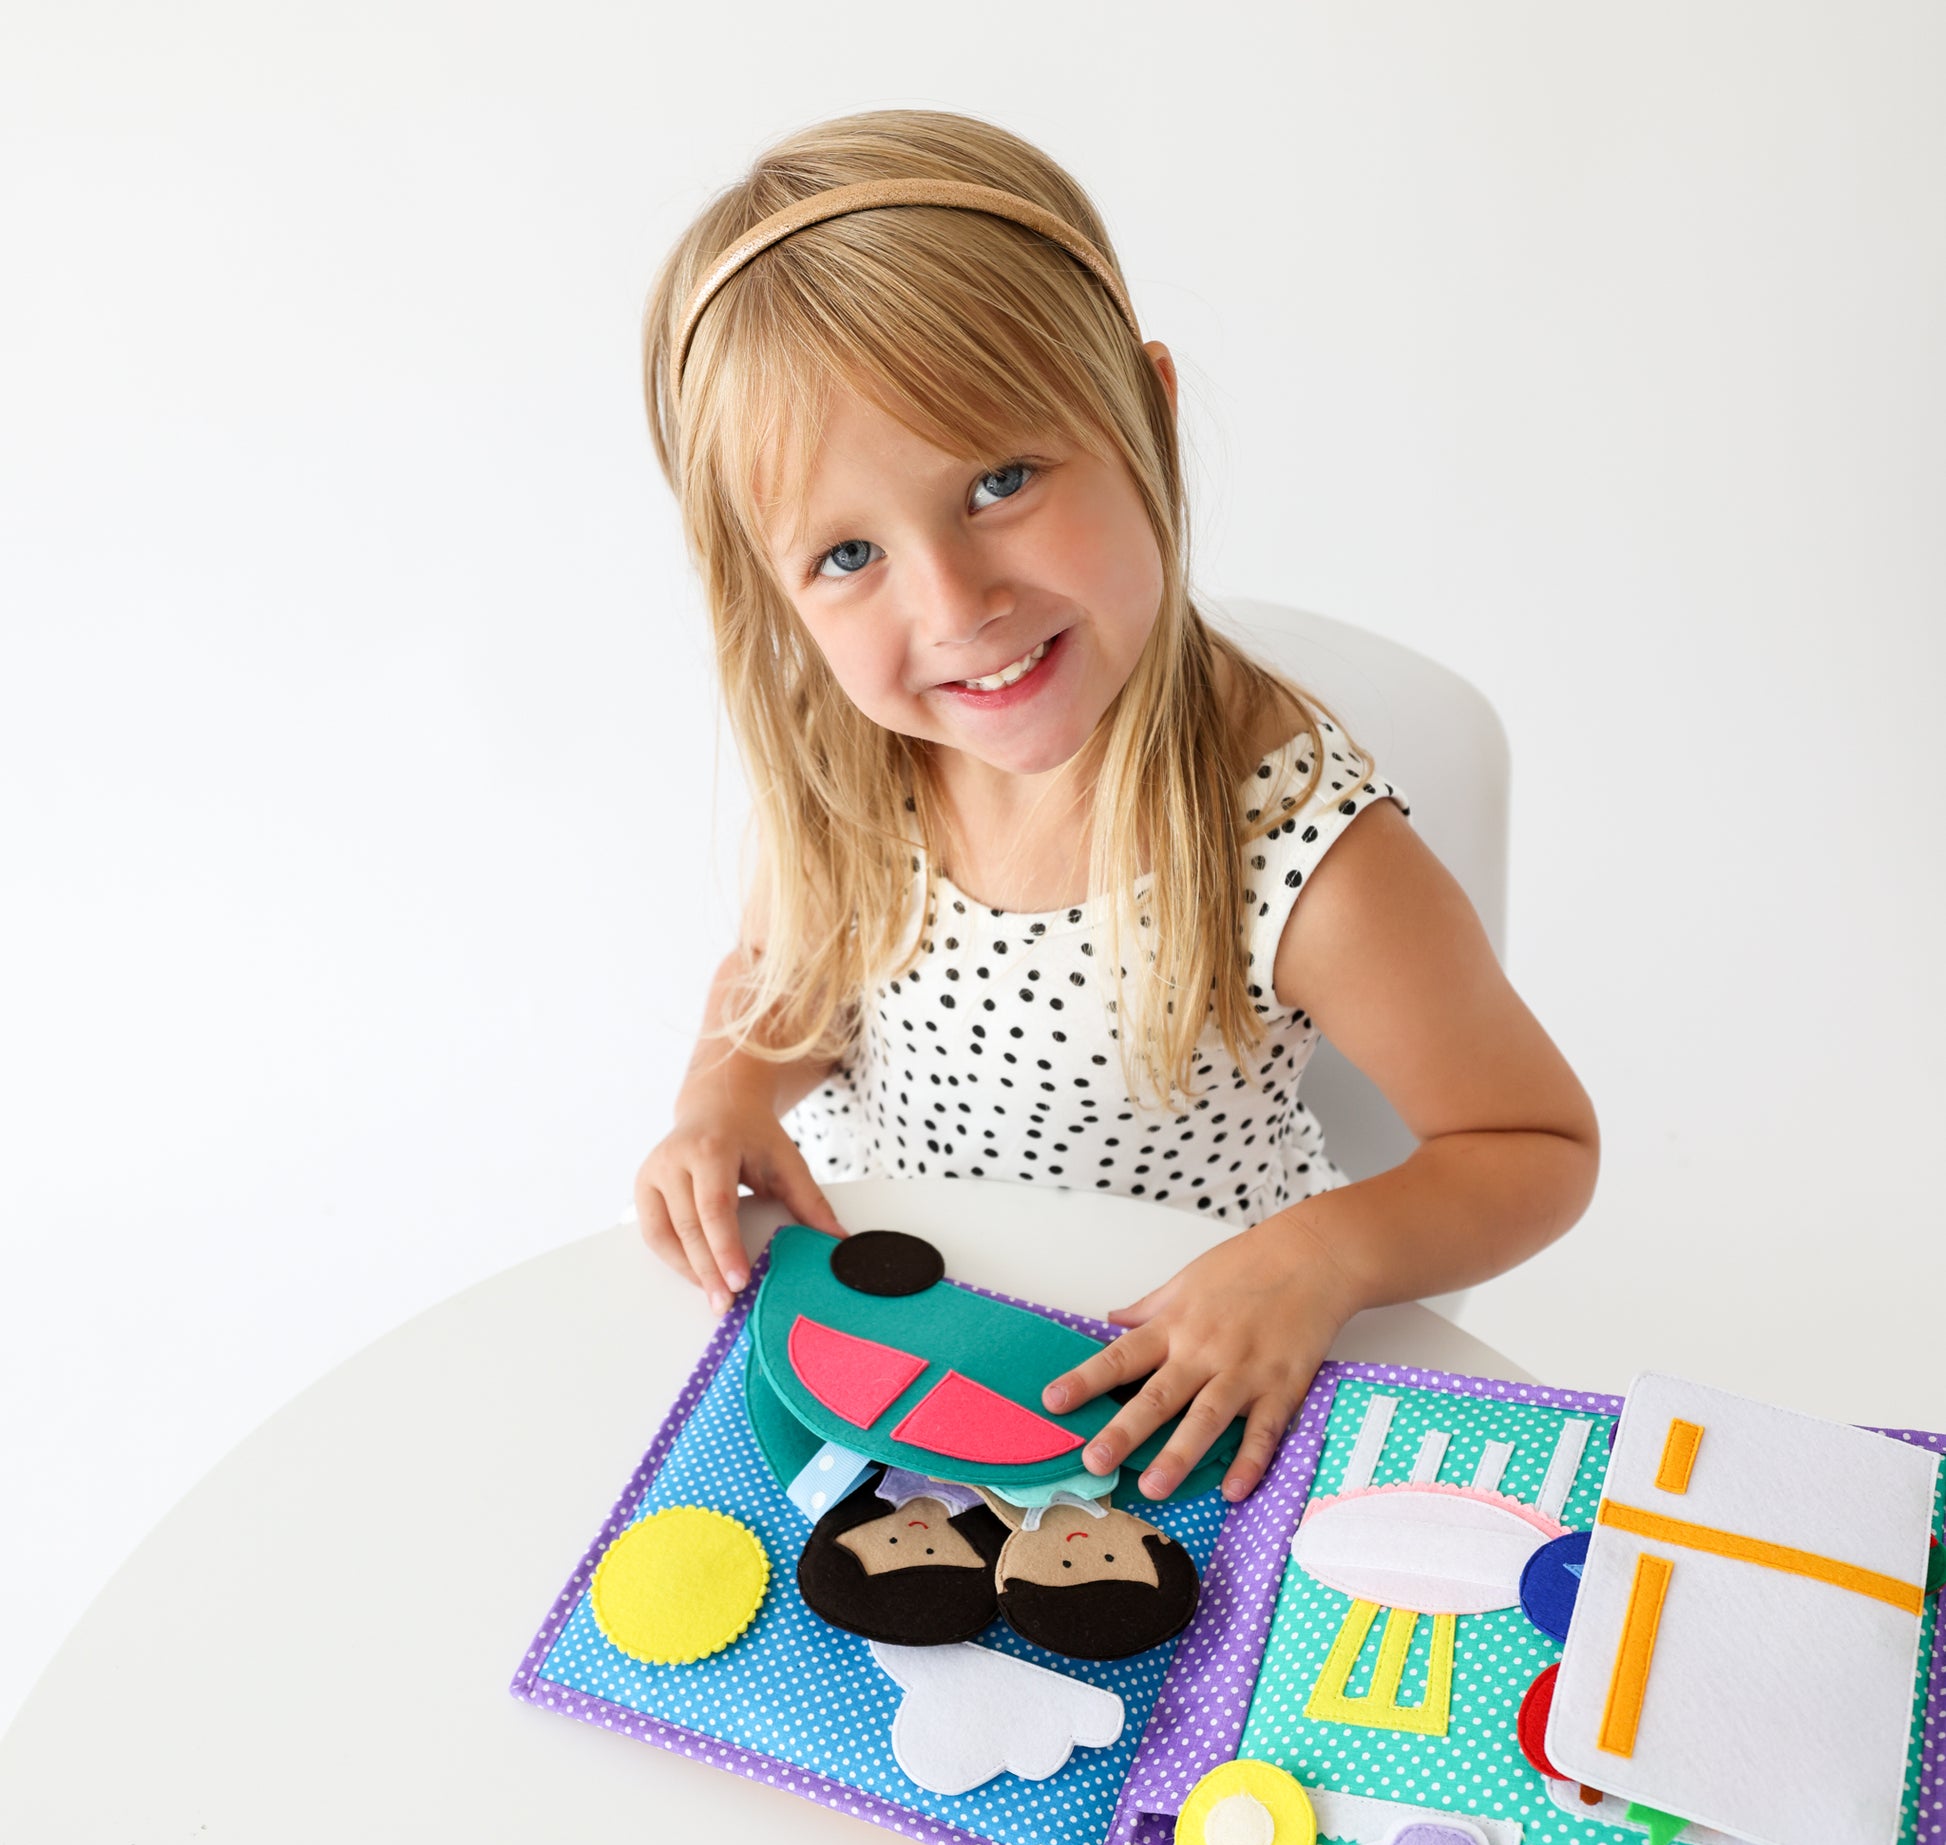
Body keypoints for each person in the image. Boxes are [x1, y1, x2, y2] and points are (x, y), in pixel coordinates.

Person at [632, 108, 1599, 1507]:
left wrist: (1321, 1257)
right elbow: (783, 976)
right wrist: (723, 1093)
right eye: (847, 554)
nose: (955, 606)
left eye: (998, 482)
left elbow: (1534, 1147)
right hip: (891, 1349)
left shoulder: (1296, 848)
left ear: (1146, 414)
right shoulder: (846, 761)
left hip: (1173, 1391)